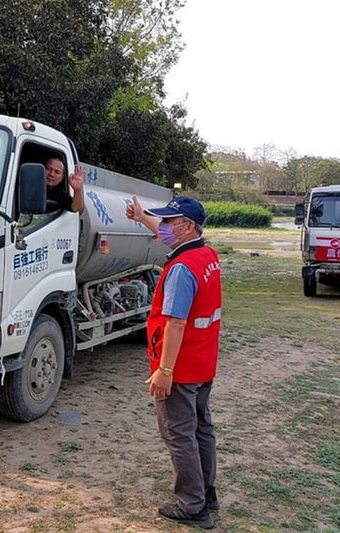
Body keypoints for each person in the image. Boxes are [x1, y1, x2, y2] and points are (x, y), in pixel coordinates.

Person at [126, 195, 222, 530]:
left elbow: (176, 323)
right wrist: (142, 218)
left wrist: (164, 371)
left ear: (188, 226)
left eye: (169, 222)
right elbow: (172, 238)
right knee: (200, 429)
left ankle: (192, 506)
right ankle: (207, 493)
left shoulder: (181, 269)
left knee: (179, 434)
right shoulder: (204, 254)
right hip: (202, 362)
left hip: (180, 368)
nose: (163, 227)